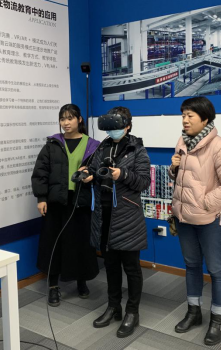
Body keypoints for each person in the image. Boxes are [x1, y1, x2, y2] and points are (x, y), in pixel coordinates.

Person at [169, 97, 221, 346]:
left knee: (216, 270)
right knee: (191, 265)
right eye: (183, 115)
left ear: (205, 119)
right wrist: (173, 168)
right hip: (184, 217)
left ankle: (218, 320)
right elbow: (183, 178)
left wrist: (205, 203)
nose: (185, 120)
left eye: (190, 115)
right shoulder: (182, 141)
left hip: (211, 218)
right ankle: (194, 312)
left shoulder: (220, 146)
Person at [83, 107, 151, 339]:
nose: (112, 130)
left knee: (131, 268)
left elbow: (144, 182)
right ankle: (113, 307)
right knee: (110, 265)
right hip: (103, 216)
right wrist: (88, 174)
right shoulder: (101, 147)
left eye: (117, 125)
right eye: (109, 126)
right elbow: (94, 171)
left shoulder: (137, 149)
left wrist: (122, 174)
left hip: (127, 217)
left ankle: (132, 312)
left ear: (127, 125)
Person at [31, 104, 101, 307]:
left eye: (70, 118)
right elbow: (40, 172)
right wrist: (41, 198)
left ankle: (81, 282)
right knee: (53, 243)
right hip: (56, 202)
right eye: (62, 119)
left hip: (81, 201)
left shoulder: (93, 145)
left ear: (79, 119)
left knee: (80, 243)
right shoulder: (52, 144)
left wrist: (92, 174)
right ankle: (53, 286)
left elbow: (100, 170)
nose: (66, 123)